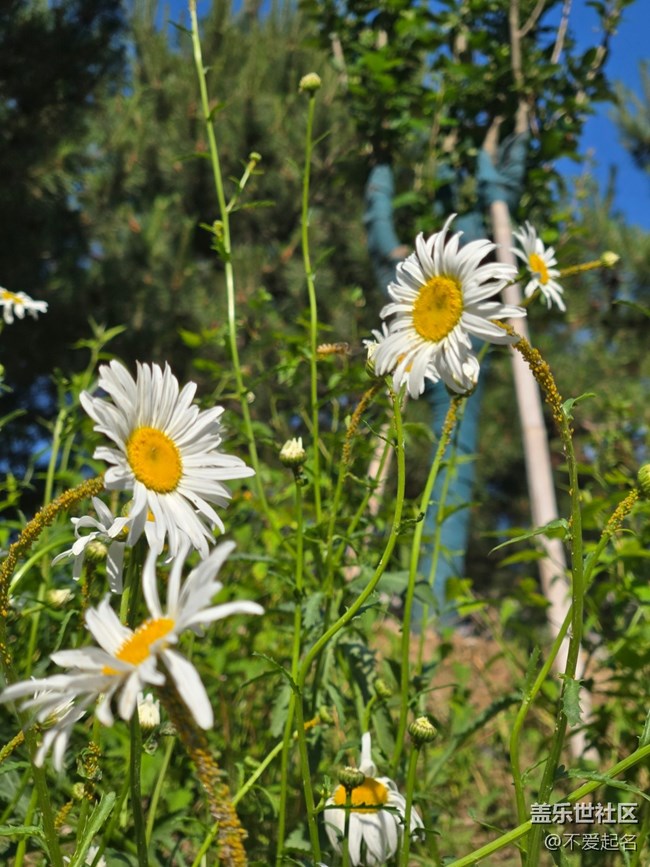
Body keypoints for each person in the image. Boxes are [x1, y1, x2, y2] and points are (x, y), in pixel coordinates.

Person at [363, 135, 527, 627]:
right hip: (440, 335)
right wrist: (495, 175)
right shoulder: (453, 249)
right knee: (450, 468)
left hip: (447, 329)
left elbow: (381, 234)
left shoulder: (426, 255)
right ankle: (431, 610)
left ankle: (425, 607)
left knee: (442, 467)